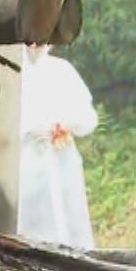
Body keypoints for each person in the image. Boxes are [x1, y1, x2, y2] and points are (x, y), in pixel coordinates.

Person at [16, 44, 100, 249]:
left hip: (61, 158)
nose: (35, 46)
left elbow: (87, 118)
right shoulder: (14, 72)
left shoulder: (62, 71)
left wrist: (63, 125)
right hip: (25, 161)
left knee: (68, 220)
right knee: (28, 224)